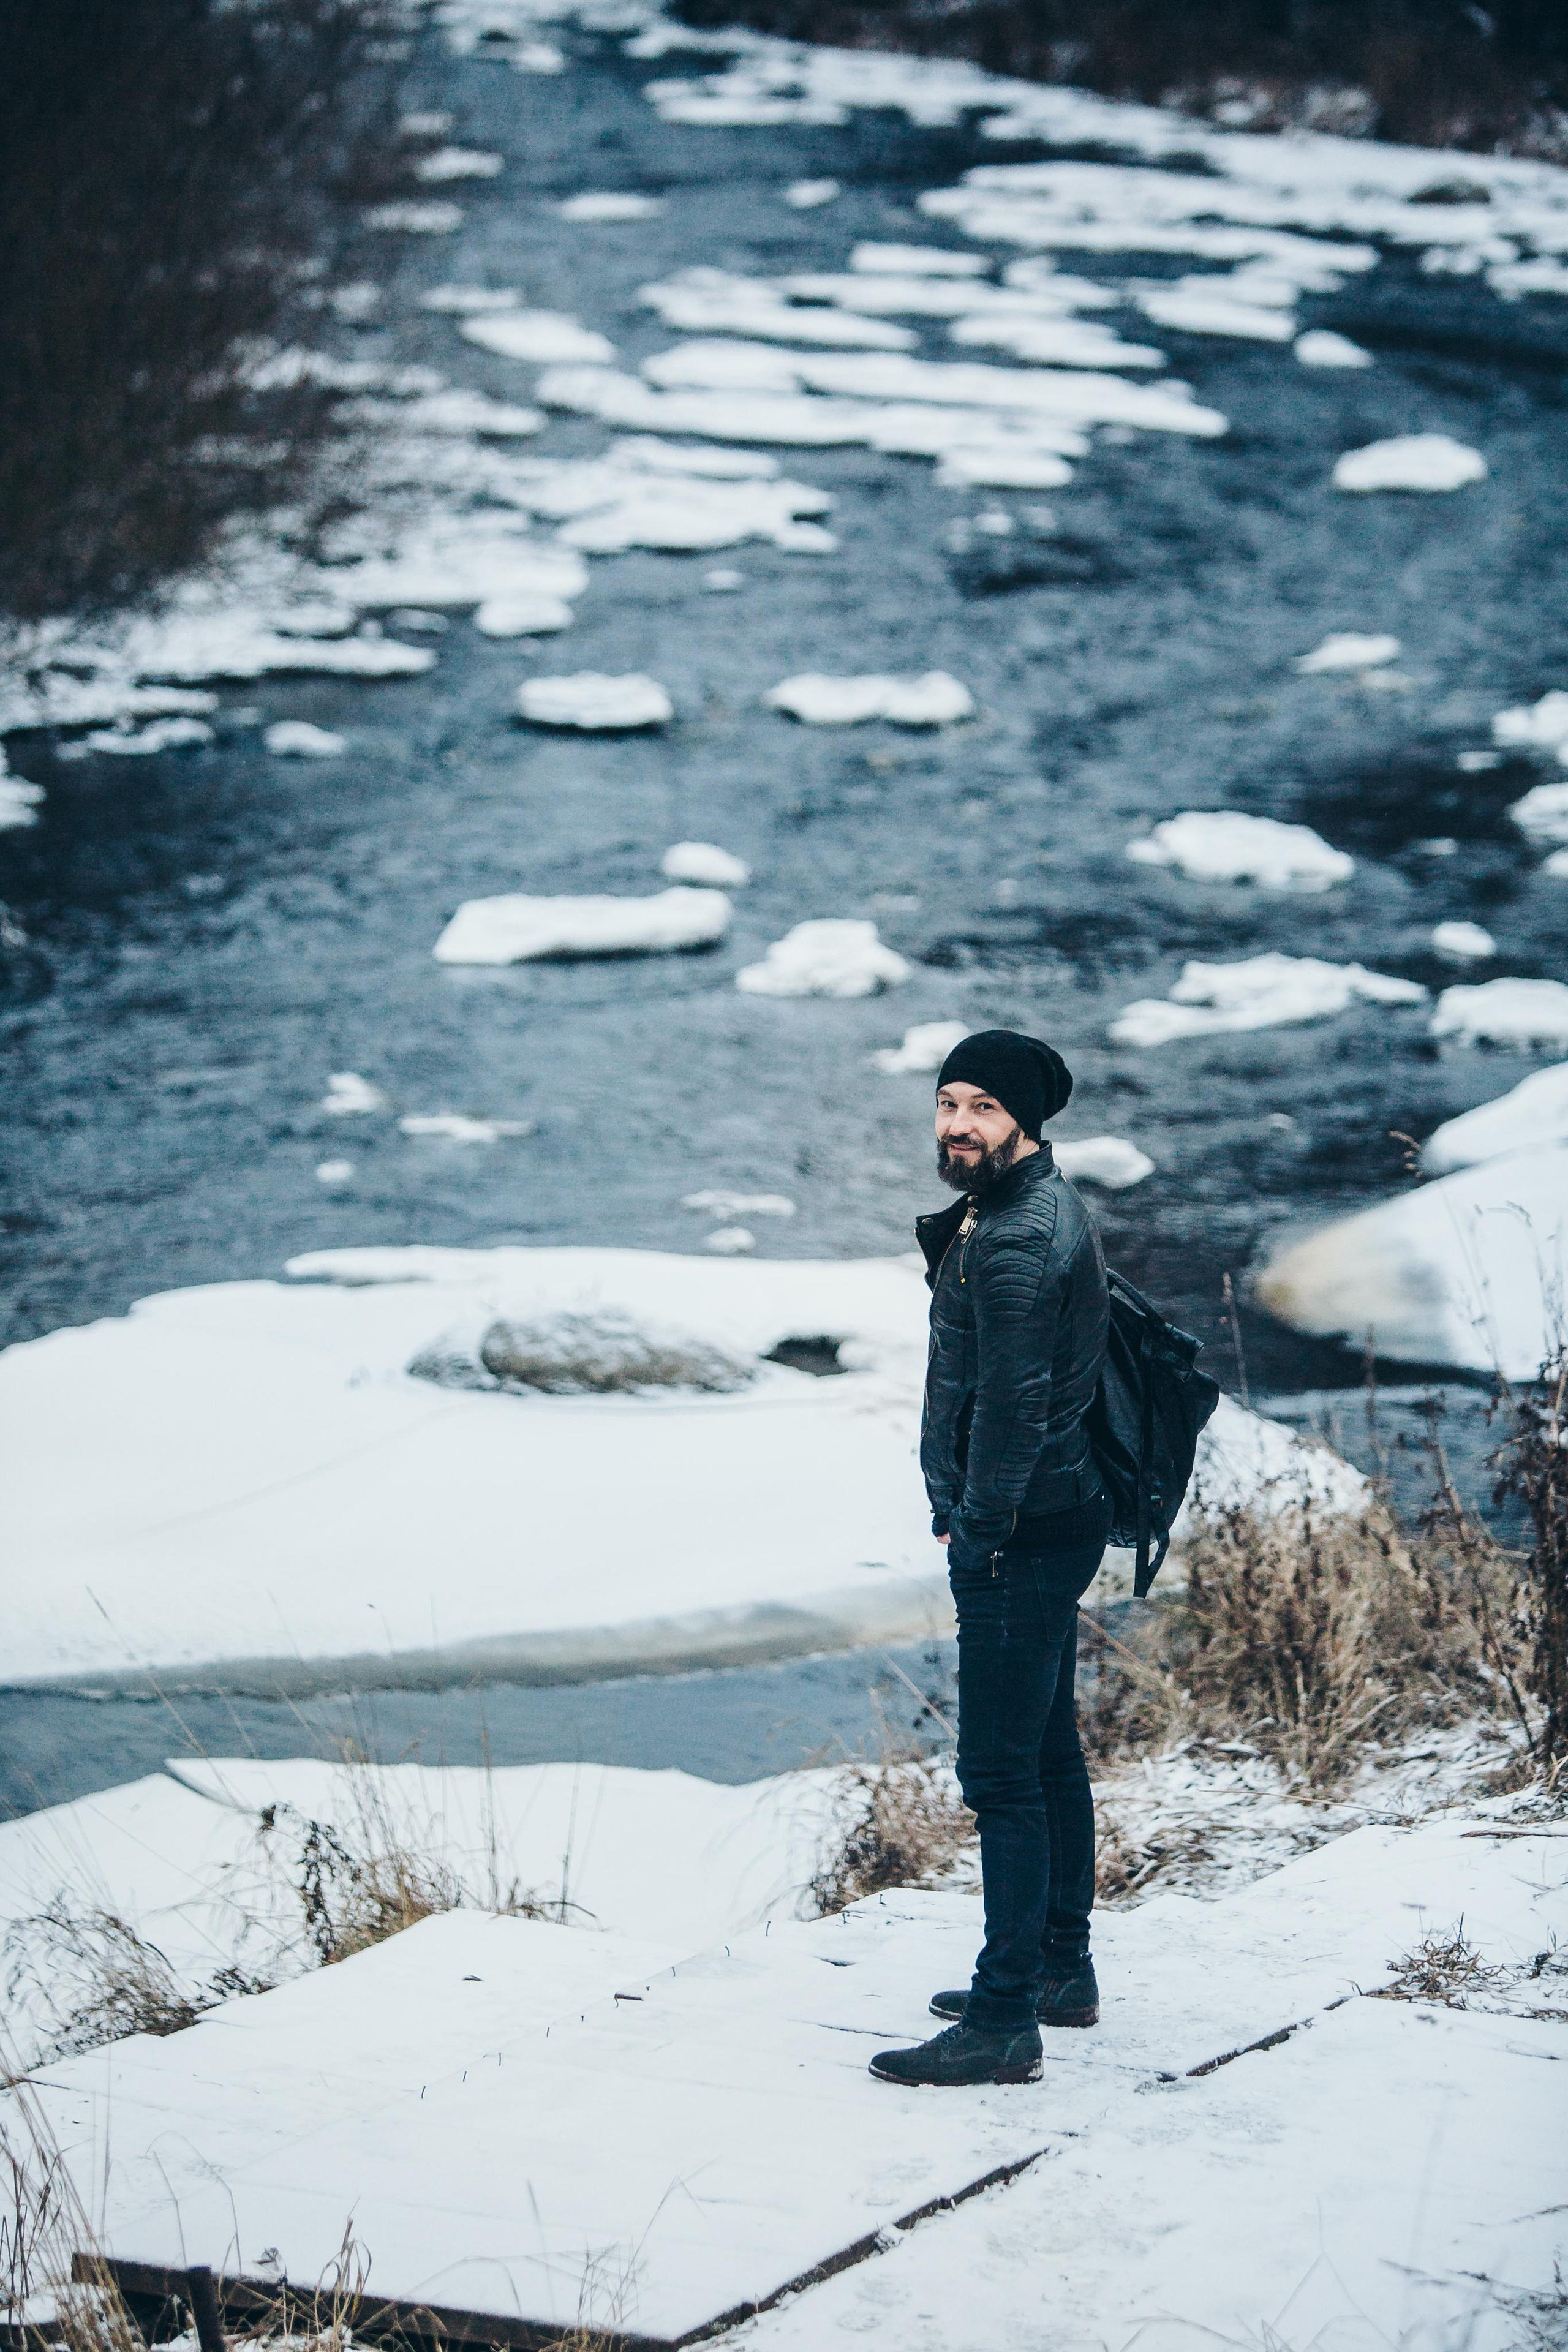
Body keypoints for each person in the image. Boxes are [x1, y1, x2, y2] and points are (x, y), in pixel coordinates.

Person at [869, 1029, 1112, 2089]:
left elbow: (1011, 1407)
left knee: (1002, 1774)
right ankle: (1061, 1968)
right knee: (1048, 1748)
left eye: (981, 1108)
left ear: (1025, 1119)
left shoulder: (1016, 1239)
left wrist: (974, 1528)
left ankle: (1007, 2018)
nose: (958, 1124)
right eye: (947, 1101)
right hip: (1055, 1516)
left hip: (1021, 1529)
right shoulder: (1018, 1206)